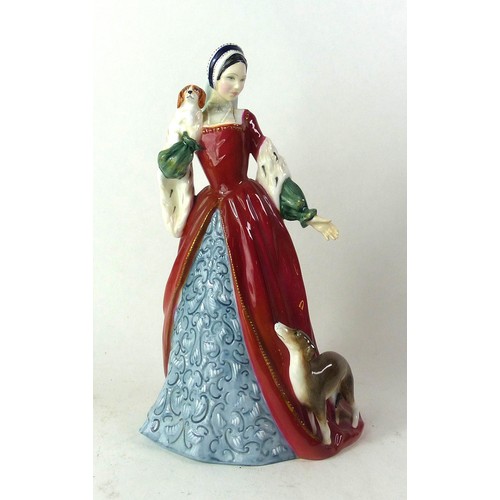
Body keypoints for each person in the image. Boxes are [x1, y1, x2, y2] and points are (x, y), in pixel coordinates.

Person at [140, 44, 363, 465]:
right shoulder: (196, 121)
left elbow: (271, 166)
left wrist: (306, 214)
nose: (237, 86)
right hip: (211, 214)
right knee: (203, 304)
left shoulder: (246, 120)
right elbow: (170, 166)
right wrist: (186, 134)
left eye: (243, 79)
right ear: (214, 78)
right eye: (230, 78)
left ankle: (265, 406)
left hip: (247, 214)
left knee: (260, 301)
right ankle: (197, 406)